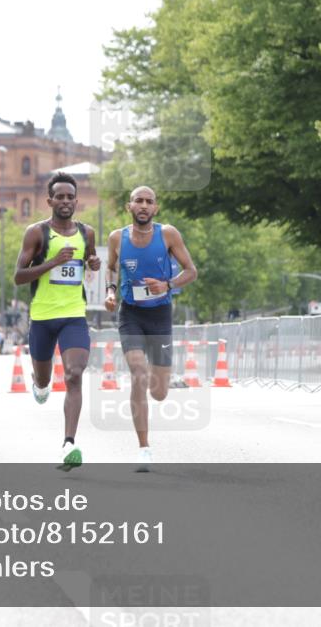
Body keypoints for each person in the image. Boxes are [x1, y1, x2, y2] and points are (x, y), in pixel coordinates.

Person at [105, 186, 198, 472]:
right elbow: (111, 268)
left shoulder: (168, 234)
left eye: (149, 202)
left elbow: (191, 271)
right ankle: (144, 448)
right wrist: (110, 291)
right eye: (138, 201)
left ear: (155, 208)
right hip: (130, 313)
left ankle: (163, 378)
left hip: (159, 315)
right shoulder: (116, 238)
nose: (143, 205)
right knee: (138, 373)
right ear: (128, 206)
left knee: (158, 392)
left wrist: (167, 285)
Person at [13, 172, 101, 470]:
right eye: (59, 197)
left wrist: (93, 263)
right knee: (43, 379)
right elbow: (18, 277)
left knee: (75, 374)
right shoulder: (37, 233)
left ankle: (68, 443)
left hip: (74, 315)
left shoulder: (87, 232)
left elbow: (88, 259)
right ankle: (40, 384)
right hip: (42, 317)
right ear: (49, 201)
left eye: (70, 197)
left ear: (77, 201)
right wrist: (52, 262)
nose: (65, 202)